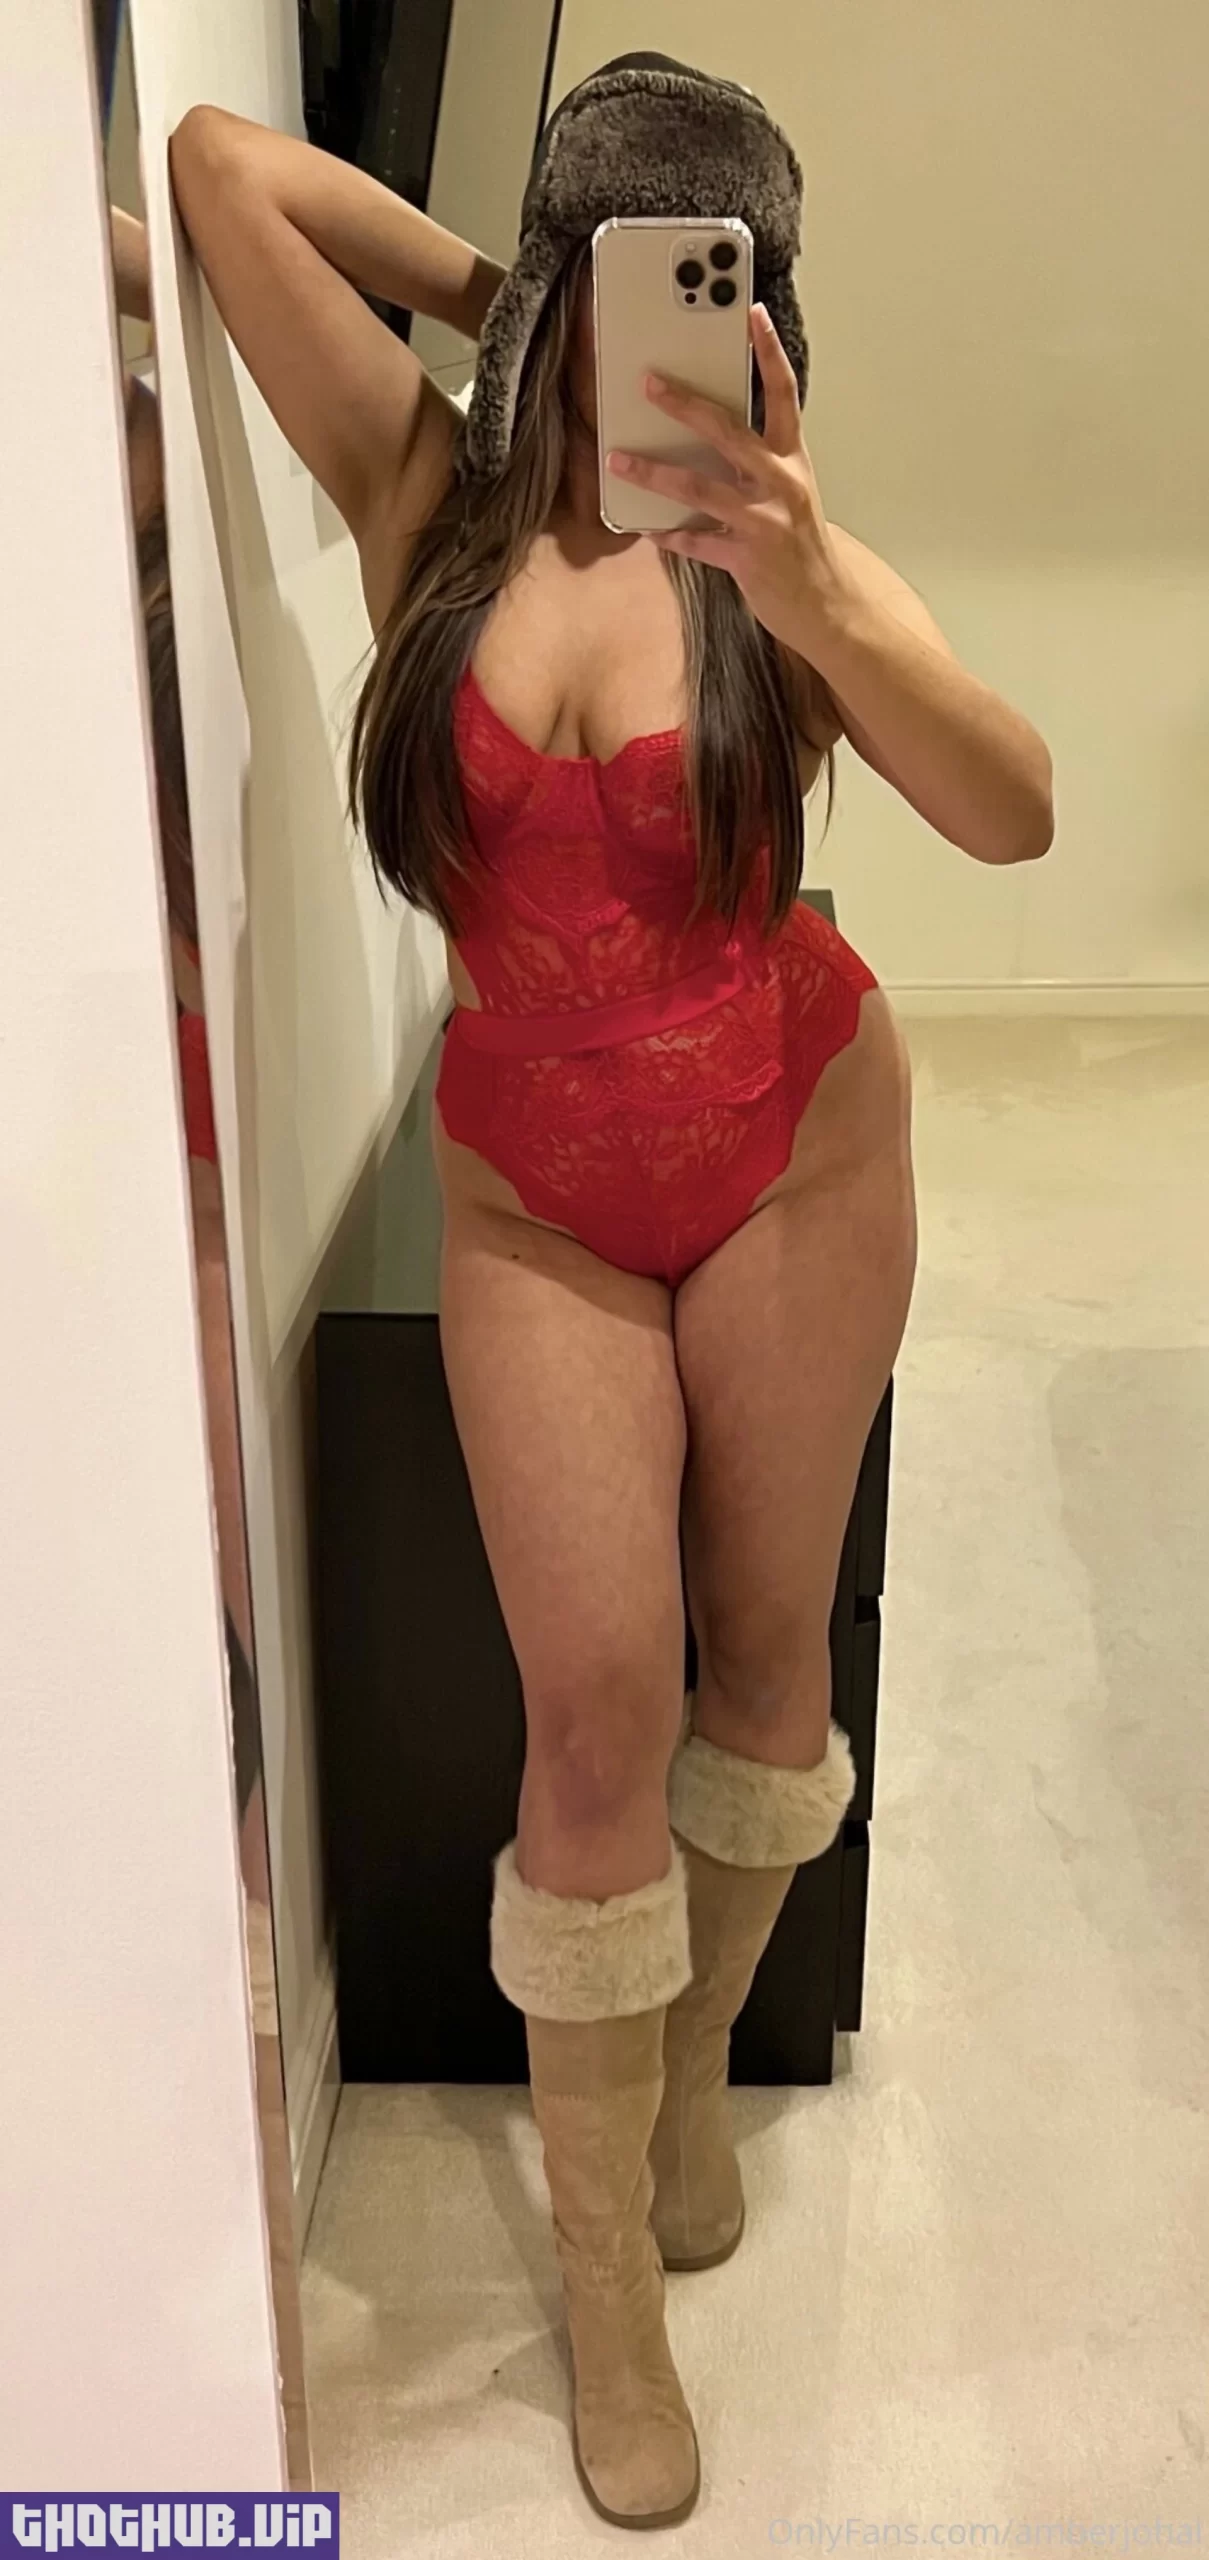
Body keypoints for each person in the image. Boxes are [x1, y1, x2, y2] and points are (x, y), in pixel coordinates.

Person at [170, 53, 1053, 2530]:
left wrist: (805, 569)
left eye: (718, 279)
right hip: (539, 1201)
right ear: (579, 283)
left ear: (775, 316)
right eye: (641, 272)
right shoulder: (425, 499)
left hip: (794, 1152)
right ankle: (607, 2299)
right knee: (592, 1722)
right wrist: (513, 294)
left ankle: (680, 2091)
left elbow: (1013, 808)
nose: (677, 323)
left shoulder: (779, 559)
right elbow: (221, 173)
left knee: (765, 1676)